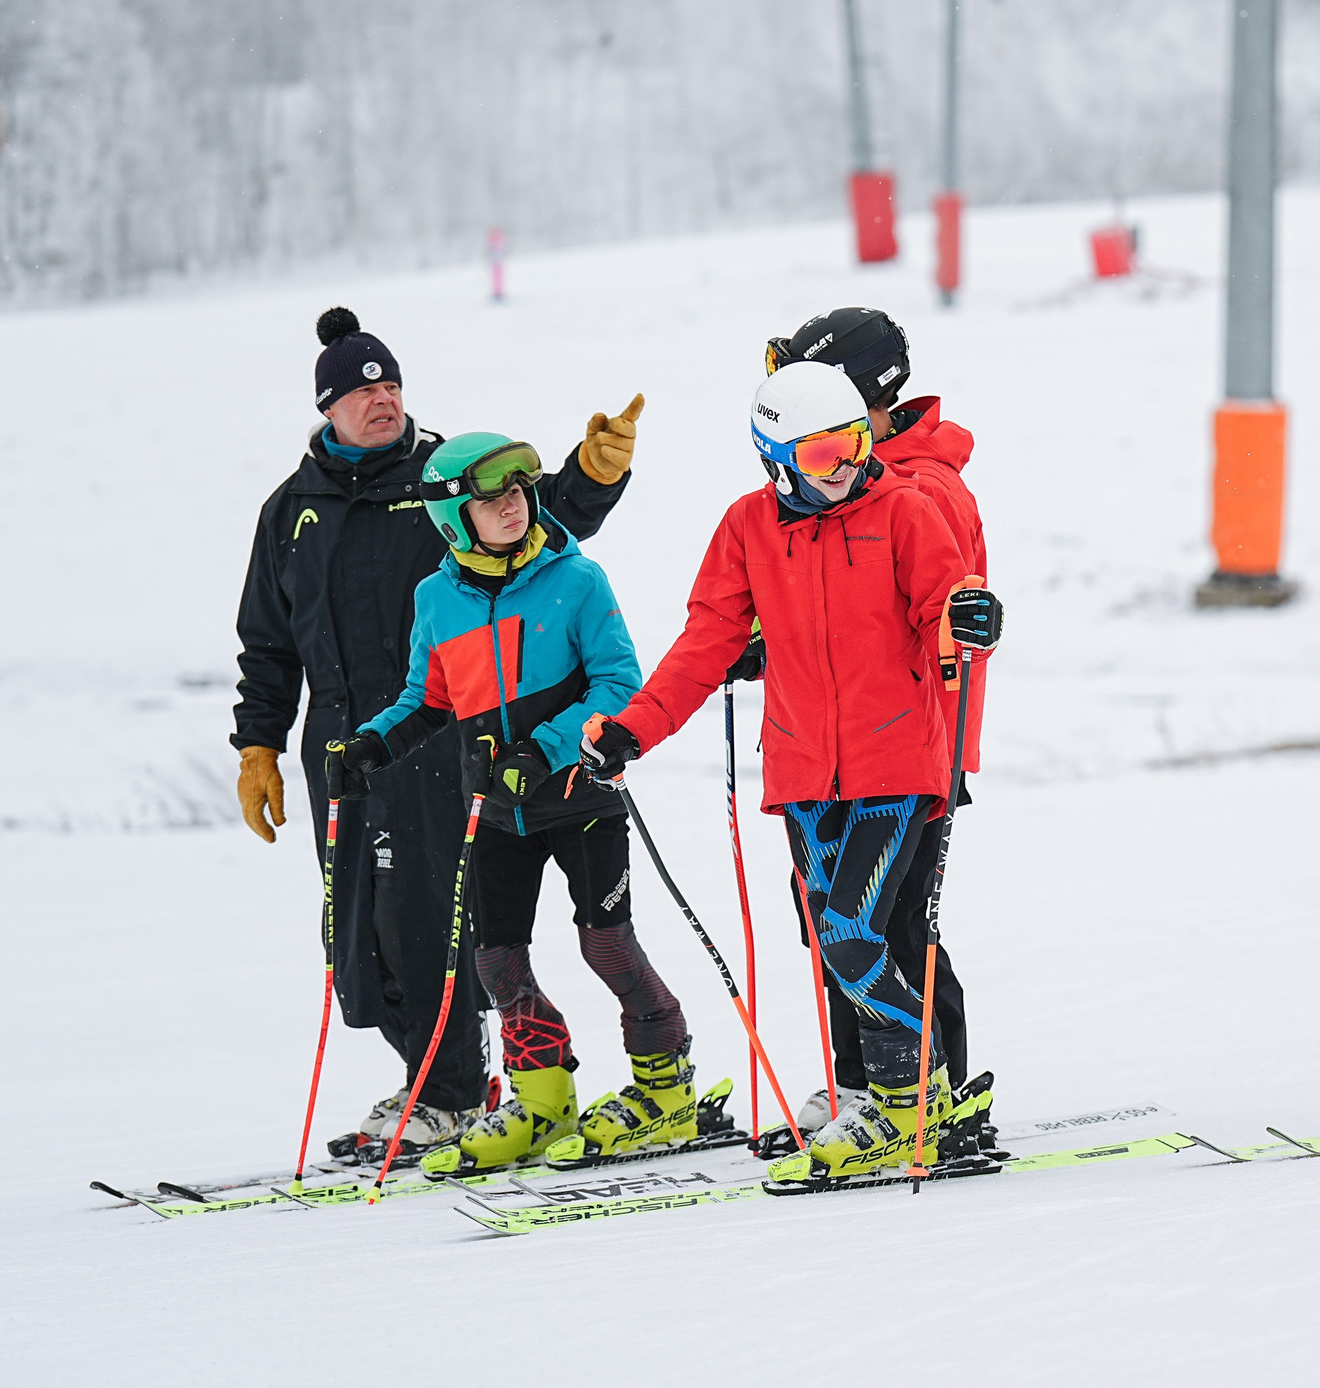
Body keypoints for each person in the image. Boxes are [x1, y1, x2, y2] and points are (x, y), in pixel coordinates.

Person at [230, 307, 644, 1155]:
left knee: (438, 920)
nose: (381, 398)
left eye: (390, 382)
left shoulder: (445, 479)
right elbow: (268, 642)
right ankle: (428, 1073)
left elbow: (542, 523)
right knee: (361, 924)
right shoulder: (290, 513)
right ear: (328, 408)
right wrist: (259, 746)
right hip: (352, 744)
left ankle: (452, 1087)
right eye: (361, 389)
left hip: (445, 734)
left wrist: (593, 475)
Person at [582, 361, 1004, 1184]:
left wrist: (969, 621)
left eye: (852, 445)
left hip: (896, 766)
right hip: (806, 773)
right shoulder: (747, 528)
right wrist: (634, 730)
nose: (846, 467)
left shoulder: (905, 512)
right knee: (831, 936)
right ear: (773, 457)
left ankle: (906, 1098)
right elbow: (706, 642)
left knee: (853, 932)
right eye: (819, 457)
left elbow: (946, 614)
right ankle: (900, 1090)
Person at [334, 431, 703, 1172]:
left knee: (606, 944)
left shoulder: (577, 579)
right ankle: (541, 1098)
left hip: (579, 796)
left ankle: (665, 1087)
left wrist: (544, 749)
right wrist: (371, 746)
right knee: (497, 961)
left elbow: (617, 684)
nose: (511, 505)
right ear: (451, 517)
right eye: (492, 497)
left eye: (518, 492)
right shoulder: (435, 600)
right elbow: (426, 698)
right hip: (497, 813)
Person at [761, 308, 986, 1139]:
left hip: (911, 744)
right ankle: (862, 1083)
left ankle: (937, 1088)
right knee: (834, 922)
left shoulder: (918, 487)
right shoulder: (824, 486)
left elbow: (942, 618)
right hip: (827, 754)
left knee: (888, 922)